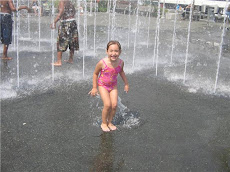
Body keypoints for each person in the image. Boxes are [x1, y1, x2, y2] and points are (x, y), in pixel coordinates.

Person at [88, 41, 129, 132]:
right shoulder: (102, 63)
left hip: (113, 86)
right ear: (107, 51)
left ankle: (109, 122)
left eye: (116, 51)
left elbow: (121, 72)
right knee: (107, 104)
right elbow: (95, 74)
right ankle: (103, 123)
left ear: (120, 52)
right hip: (102, 85)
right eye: (111, 51)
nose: (113, 53)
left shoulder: (121, 63)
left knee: (114, 105)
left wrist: (126, 84)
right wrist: (94, 87)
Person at [50, 0, 79, 66]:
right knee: (72, 41)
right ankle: (71, 59)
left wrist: (54, 22)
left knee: (61, 41)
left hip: (65, 23)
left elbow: (61, 12)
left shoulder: (62, 1)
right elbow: (74, 11)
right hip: (73, 22)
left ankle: (59, 61)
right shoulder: (69, 1)